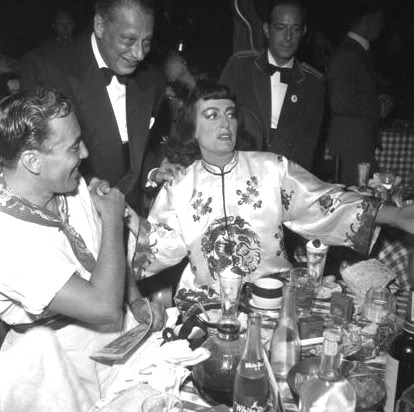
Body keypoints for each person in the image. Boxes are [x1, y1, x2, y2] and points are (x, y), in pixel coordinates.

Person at [128, 81, 414, 293]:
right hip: (208, 305)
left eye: (230, 113)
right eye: (212, 115)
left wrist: (396, 216)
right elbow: (155, 248)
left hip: (274, 299)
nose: (225, 123)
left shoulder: (271, 169)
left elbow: (326, 202)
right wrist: (124, 217)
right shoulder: (179, 187)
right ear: (192, 128)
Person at [0, 88, 166, 408]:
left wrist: (134, 300)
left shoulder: (67, 183)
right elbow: (101, 305)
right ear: (32, 161)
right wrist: (115, 218)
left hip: (121, 340)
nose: (86, 153)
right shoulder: (7, 238)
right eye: (74, 147)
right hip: (60, 370)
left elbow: (103, 251)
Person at [20, 0, 176, 212]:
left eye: (146, 42)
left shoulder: (154, 80)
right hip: (73, 209)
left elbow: (142, 147)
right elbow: (35, 154)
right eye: (128, 40)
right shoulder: (44, 68)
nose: (139, 54)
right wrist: (89, 182)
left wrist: (153, 171)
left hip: (132, 213)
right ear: (100, 26)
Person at [219, 0, 325, 171]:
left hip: (285, 177)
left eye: (295, 29)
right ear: (267, 30)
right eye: (281, 28)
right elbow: (217, 125)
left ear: (303, 32)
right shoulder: (239, 66)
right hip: (237, 170)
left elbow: (306, 147)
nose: (288, 37)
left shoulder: (313, 84)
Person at [327, 0, 393, 186]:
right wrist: (377, 108)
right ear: (366, 20)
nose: (382, 24)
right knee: (358, 205)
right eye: (379, 19)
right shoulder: (348, 53)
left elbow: (355, 93)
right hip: (351, 146)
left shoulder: (357, 52)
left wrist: (379, 100)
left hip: (358, 144)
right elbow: (340, 101)